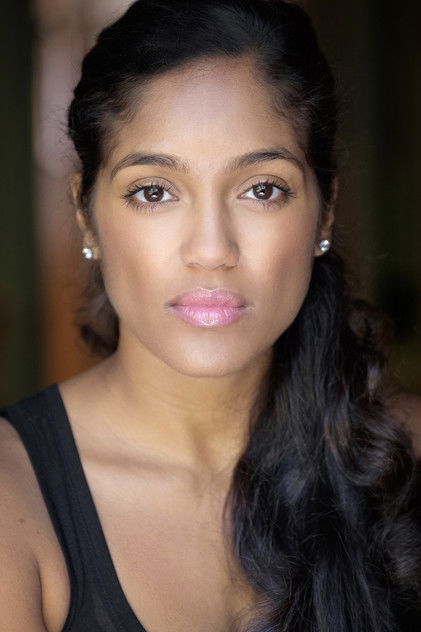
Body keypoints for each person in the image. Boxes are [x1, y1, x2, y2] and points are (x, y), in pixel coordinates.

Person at [1, 0, 420, 630]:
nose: (212, 250)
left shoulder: (408, 461)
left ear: (324, 210)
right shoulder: (13, 502)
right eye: (154, 191)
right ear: (86, 214)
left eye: (262, 189)